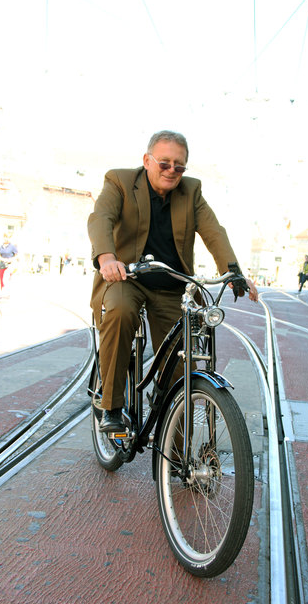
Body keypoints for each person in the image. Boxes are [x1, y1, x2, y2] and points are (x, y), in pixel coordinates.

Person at [88, 130, 259, 432]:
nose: (171, 171)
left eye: (179, 166)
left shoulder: (190, 191)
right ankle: (111, 406)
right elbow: (100, 218)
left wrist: (233, 272)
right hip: (127, 277)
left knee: (182, 358)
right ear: (147, 160)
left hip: (172, 285)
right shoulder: (120, 181)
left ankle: (179, 454)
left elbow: (213, 231)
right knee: (120, 311)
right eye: (164, 163)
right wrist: (106, 258)